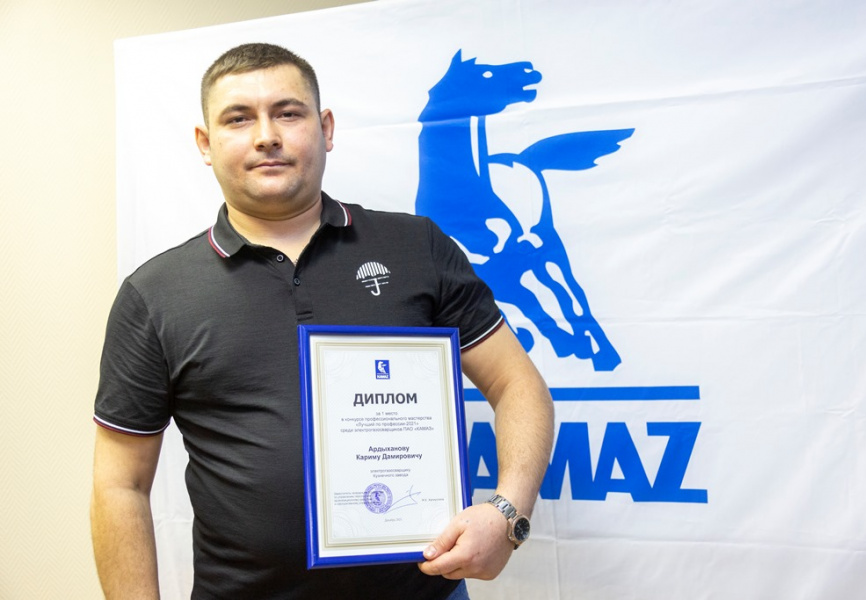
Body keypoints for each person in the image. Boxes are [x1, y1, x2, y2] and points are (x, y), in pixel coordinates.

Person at [90, 43, 554, 600]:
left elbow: (517, 384)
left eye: (288, 113)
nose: (266, 135)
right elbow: (120, 484)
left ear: (325, 127)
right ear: (205, 144)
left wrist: (507, 514)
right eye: (238, 119)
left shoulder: (416, 248)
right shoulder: (155, 294)